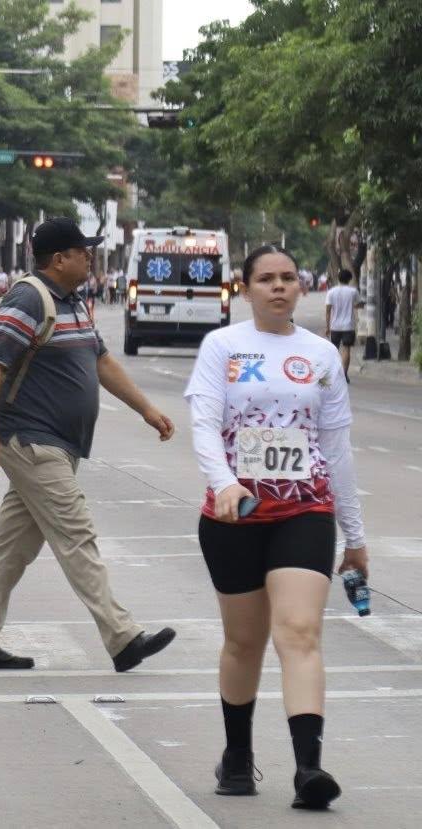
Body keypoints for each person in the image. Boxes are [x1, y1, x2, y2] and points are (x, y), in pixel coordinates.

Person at [182, 244, 364, 810]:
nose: (278, 287)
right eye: (266, 279)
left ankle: (308, 768)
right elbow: (205, 424)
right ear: (246, 288)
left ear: (301, 288)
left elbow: (337, 448)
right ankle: (237, 757)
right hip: (235, 515)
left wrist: (354, 536)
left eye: (288, 278)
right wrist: (224, 483)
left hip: (306, 510)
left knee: (300, 631)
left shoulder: (321, 355)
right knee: (244, 640)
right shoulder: (222, 346)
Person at [0, 217, 178, 673]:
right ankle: (122, 637)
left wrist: (146, 410)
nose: (90, 256)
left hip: (58, 443)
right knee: (77, 535)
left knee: (9, 548)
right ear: (60, 259)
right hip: (32, 441)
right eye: (83, 250)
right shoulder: (28, 298)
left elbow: (101, 360)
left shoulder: (72, 302)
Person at [324, 269, 359, 380]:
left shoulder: (331, 292)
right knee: (346, 349)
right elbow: (358, 305)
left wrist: (327, 327)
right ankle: (344, 373)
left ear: (338, 278)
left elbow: (328, 310)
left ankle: (334, 374)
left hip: (335, 326)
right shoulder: (353, 292)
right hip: (349, 326)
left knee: (334, 350)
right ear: (349, 279)